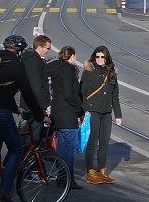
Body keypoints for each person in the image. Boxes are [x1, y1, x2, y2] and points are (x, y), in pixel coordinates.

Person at [0, 35, 47, 202]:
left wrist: (15, 109)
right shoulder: (17, 65)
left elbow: (1, 89)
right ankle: (4, 191)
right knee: (15, 151)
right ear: (19, 52)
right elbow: (27, 92)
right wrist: (39, 114)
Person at [80, 46, 122, 184]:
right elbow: (83, 93)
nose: (99, 59)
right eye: (97, 57)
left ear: (106, 58)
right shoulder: (88, 73)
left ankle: (101, 171)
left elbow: (115, 95)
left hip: (106, 112)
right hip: (93, 111)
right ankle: (90, 172)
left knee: (104, 142)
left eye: (102, 57)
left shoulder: (112, 73)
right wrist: (83, 112)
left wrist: (118, 115)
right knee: (92, 141)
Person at [45, 46, 84, 184]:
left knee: (61, 146)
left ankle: (61, 176)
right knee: (69, 146)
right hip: (67, 113)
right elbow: (69, 93)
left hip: (57, 111)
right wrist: (79, 107)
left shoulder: (55, 65)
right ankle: (68, 178)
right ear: (72, 56)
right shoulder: (68, 70)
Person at [19, 34, 53, 141]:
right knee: (34, 139)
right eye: (47, 48)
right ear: (39, 47)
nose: (49, 51)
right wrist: (45, 105)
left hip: (31, 105)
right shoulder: (33, 61)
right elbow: (36, 86)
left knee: (30, 138)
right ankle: (29, 157)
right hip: (34, 107)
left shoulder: (33, 59)